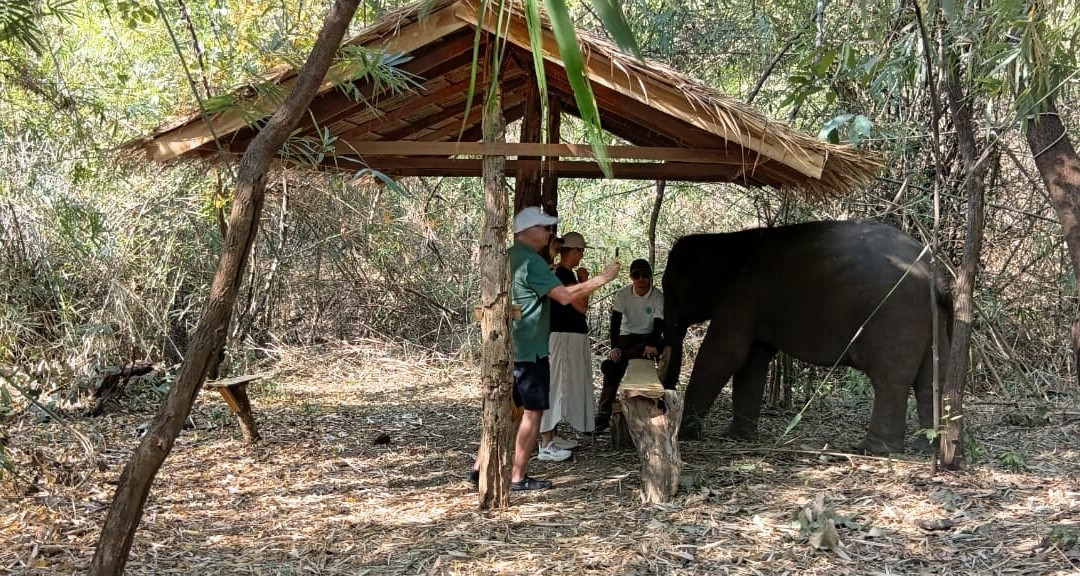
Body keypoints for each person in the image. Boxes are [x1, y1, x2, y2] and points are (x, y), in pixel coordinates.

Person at [470, 207, 620, 491]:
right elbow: (565, 297)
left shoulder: (509, 257)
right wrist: (602, 279)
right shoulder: (533, 262)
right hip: (531, 349)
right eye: (545, 227)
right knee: (533, 411)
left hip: (507, 345)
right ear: (526, 232)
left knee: (505, 409)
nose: (551, 233)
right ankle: (517, 476)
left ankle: (480, 468)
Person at [539, 232, 594, 453]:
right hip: (563, 337)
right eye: (580, 251)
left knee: (562, 384)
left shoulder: (561, 273)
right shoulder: (563, 274)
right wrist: (585, 281)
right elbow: (581, 305)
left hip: (568, 336)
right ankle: (545, 442)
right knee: (556, 384)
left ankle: (551, 435)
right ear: (574, 251)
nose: (581, 256)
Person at [595, 258, 664, 432]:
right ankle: (603, 415)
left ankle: (658, 409)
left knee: (648, 358)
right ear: (631, 277)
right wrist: (614, 347)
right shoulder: (623, 295)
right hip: (626, 338)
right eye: (636, 275)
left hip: (649, 338)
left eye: (645, 275)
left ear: (650, 276)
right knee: (613, 373)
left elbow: (658, 325)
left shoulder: (657, 297)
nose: (641, 279)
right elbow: (615, 323)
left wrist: (651, 344)